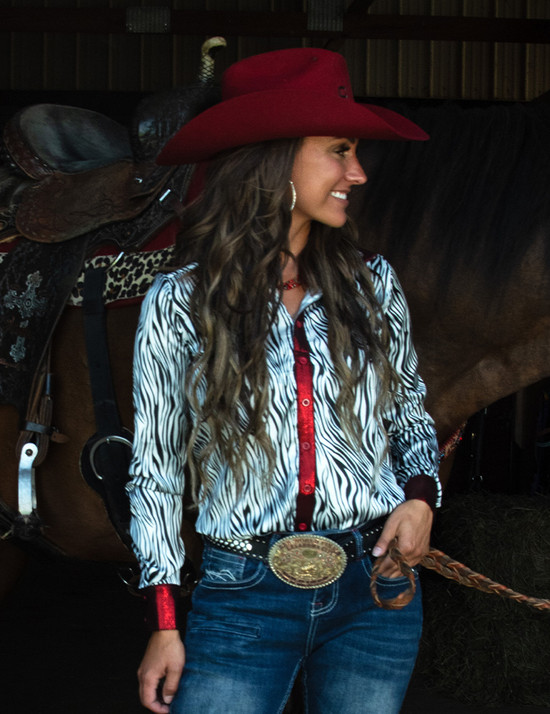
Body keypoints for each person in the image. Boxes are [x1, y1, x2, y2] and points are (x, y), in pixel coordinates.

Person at [127, 47, 441, 714]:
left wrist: (420, 499)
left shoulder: (374, 284)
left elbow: (410, 416)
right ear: (276, 160)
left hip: (374, 588)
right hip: (241, 598)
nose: (356, 173)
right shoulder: (180, 302)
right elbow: (155, 471)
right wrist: (163, 619)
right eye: (339, 150)